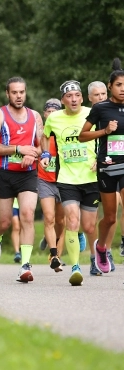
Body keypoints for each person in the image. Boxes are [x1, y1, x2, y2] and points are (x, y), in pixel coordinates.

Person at [41, 80, 100, 286]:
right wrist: (46, 153)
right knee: (72, 221)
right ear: (63, 100)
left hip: (91, 178)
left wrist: (98, 157)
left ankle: (81, 236)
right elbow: (44, 136)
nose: (73, 99)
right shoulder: (54, 118)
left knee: (88, 225)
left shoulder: (92, 113)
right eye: (69, 96)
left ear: (82, 98)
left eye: (76, 95)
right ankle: (75, 268)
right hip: (67, 179)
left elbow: (104, 136)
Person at [0, 77, 43, 283]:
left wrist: (33, 154)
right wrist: (18, 149)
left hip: (27, 174)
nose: (18, 96)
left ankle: (25, 266)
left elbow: (41, 146)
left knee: (27, 215)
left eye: (22, 92)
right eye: (14, 92)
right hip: (4, 174)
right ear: (7, 94)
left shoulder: (35, 116)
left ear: (25, 93)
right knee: (5, 221)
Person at [79, 59, 124, 274]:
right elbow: (82, 135)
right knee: (110, 217)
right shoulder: (101, 109)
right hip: (107, 167)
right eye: (119, 85)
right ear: (110, 86)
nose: (123, 89)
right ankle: (101, 247)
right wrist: (105, 131)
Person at [88, 80, 122, 265]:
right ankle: (95, 254)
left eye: (103, 94)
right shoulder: (87, 114)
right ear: (89, 98)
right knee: (97, 217)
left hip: (114, 166)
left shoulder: (114, 111)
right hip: (91, 172)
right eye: (97, 95)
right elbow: (79, 139)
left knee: (114, 212)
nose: (101, 98)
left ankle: (107, 250)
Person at [37, 99, 66, 272]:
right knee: (49, 218)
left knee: (61, 221)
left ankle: (54, 250)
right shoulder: (40, 134)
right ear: (44, 114)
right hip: (45, 180)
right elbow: (31, 149)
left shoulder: (65, 132)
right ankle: (55, 257)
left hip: (64, 180)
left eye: (56, 111)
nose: (52, 114)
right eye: (49, 111)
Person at [11, 198, 21, 263]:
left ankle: (22, 250)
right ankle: (17, 252)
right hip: (13, 205)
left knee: (23, 229)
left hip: (25, 204)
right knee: (16, 227)